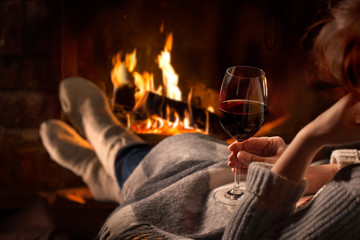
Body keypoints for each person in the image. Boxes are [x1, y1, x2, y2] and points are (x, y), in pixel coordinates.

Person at [39, 0, 360, 239]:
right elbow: (350, 174)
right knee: (202, 155)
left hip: (249, 218)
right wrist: (295, 163)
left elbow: (243, 234)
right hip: (290, 194)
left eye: (351, 86)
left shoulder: (352, 203)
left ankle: (113, 145)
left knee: (183, 171)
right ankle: (106, 172)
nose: (345, 101)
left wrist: (308, 140)